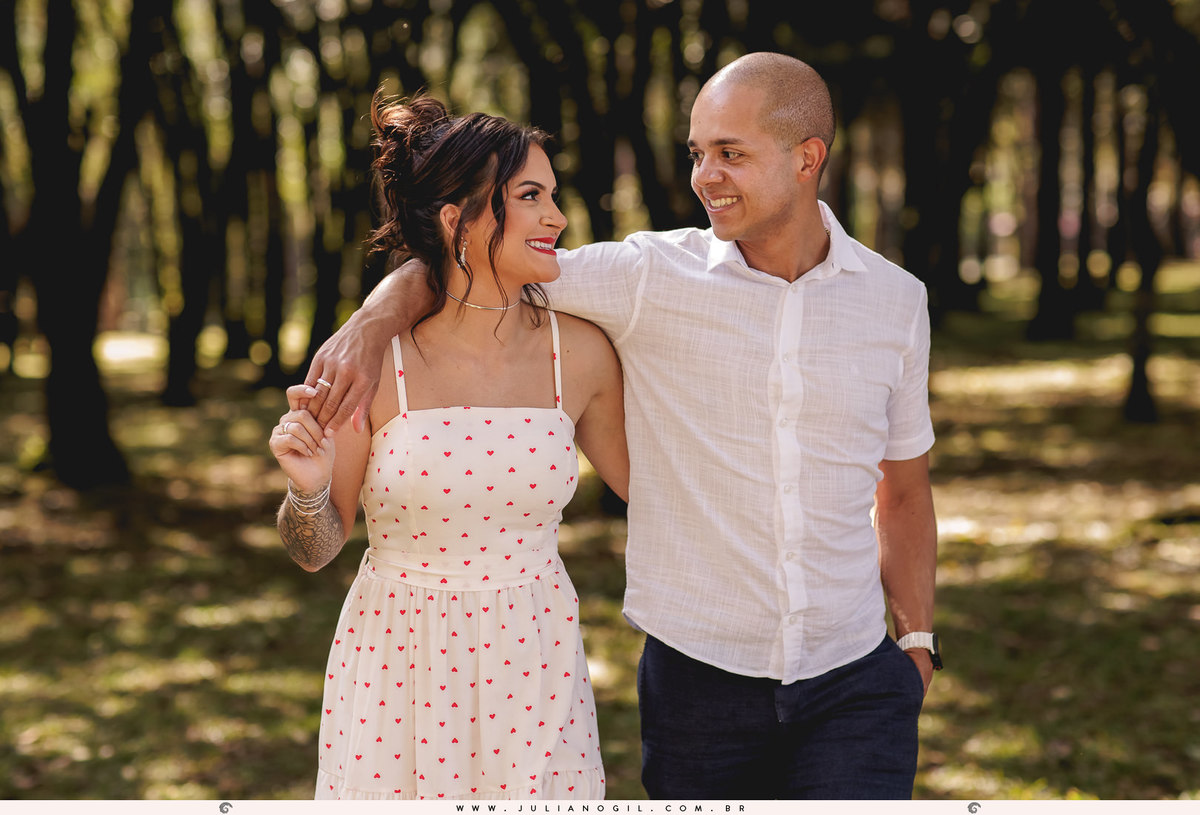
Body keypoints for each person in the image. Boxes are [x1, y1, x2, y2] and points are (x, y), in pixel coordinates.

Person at [303, 52, 939, 799]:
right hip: (700, 683)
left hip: (855, 680)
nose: (706, 175)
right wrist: (381, 313)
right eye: (698, 152)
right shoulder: (647, 278)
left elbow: (903, 491)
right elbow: (482, 256)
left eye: (731, 153)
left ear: (808, 158)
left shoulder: (896, 302)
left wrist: (917, 644)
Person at [268, 94, 628, 801]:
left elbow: (655, 491)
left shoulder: (580, 354)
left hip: (536, 662)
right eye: (531, 196)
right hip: (396, 666)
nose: (556, 216)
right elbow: (314, 548)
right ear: (456, 219)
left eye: (553, 195)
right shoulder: (372, 364)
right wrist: (307, 487)